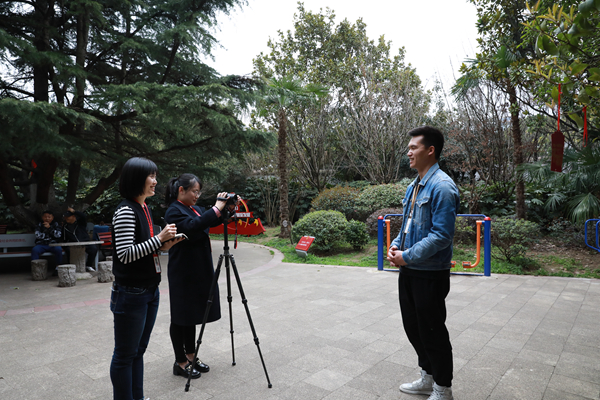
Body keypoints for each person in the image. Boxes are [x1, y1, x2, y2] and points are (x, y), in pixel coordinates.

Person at [387, 126, 460, 400]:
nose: (408, 152)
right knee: (414, 328)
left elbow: (442, 235)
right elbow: (407, 224)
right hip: (410, 269)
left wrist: (407, 256)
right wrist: (396, 245)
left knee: (432, 331)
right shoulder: (414, 186)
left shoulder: (442, 187)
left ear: (430, 150)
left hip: (429, 272)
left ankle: (443, 388)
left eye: (413, 147)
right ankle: (428, 377)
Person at [109, 157, 184, 400]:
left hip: (149, 289)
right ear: (136, 179)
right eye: (151, 176)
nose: (155, 181)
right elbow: (125, 254)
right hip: (131, 293)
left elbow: (143, 248)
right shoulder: (125, 211)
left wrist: (164, 246)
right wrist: (159, 238)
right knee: (124, 355)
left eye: (155, 176)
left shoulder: (144, 208)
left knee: (138, 351)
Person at [163, 173, 234, 379]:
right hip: (182, 271)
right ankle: (180, 362)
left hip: (198, 269)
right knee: (180, 316)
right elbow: (193, 226)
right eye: (194, 191)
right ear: (181, 190)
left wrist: (228, 208)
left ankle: (191, 356)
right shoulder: (174, 211)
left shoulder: (195, 209)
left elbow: (209, 221)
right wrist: (217, 207)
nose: (197, 195)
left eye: (198, 192)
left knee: (192, 314)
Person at [62, 207, 98, 272]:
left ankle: (88, 265)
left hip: (85, 242)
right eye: (65, 217)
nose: (66, 218)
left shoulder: (80, 223)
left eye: (68, 216)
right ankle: (71, 267)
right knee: (68, 250)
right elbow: (63, 238)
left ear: (73, 216)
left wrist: (74, 211)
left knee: (93, 249)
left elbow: (83, 216)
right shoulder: (65, 227)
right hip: (72, 244)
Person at [32, 211, 63, 275]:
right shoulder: (39, 225)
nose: (47, 218)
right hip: (41, 244)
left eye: (49, 217)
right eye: (45, 217)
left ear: (52, 217)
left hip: (53, 244)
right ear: (42, 217)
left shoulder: (56, 225)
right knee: (35, 250)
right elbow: (38, 235)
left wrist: (50, 228)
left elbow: (58, 235)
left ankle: (58, 268)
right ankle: (36, 269)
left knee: (58, 249)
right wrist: (50, 234)